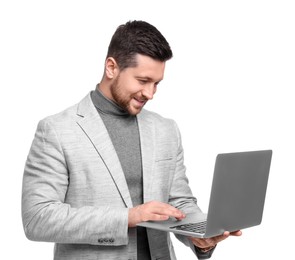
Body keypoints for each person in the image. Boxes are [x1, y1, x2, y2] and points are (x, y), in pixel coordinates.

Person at [22, 20, 241, 260]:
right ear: (111, 68)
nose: (150, 93)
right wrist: (129, 217)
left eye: (156, 84)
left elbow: (179, 201)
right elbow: (38, 218)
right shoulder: (56, 130)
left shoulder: (166, 129)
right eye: (143, 81)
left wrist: (200, 234)